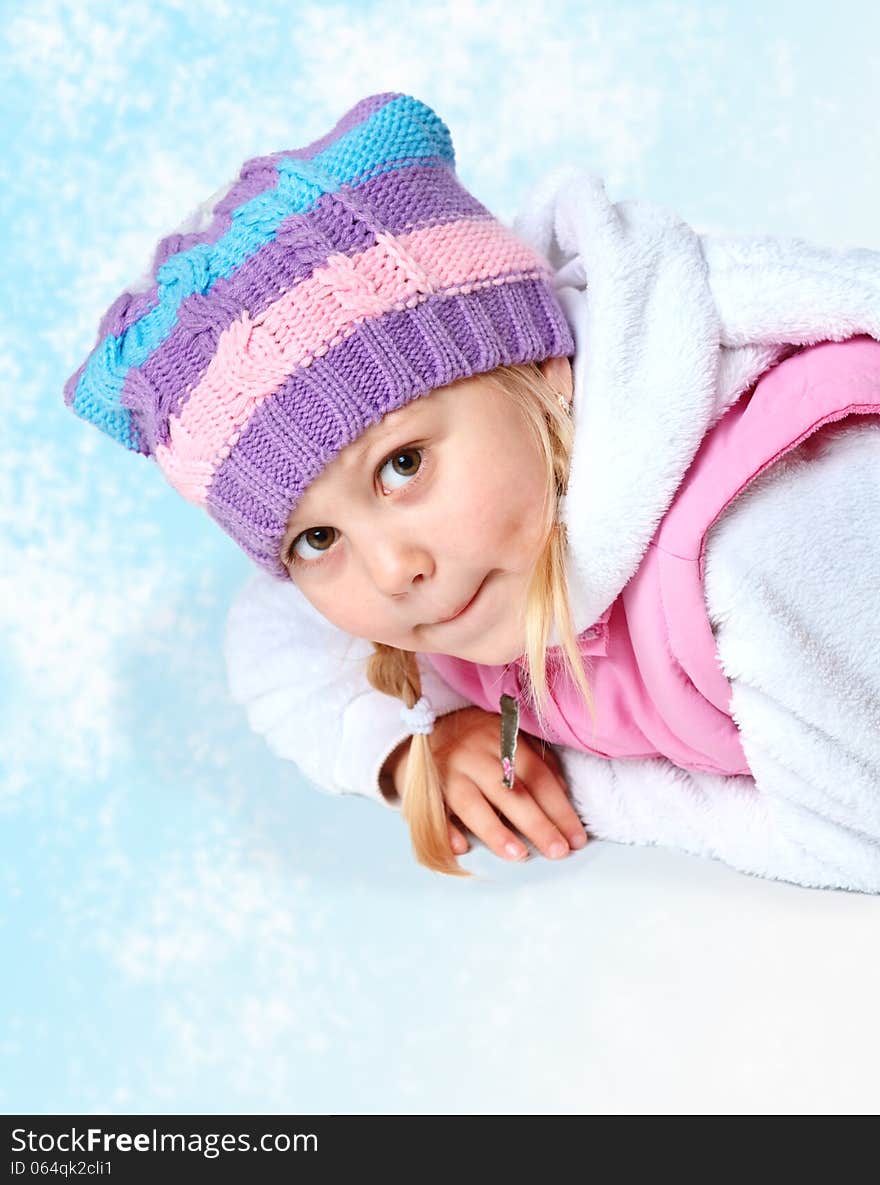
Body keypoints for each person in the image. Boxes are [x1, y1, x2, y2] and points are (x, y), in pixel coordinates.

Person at [64, 92, 880, 892]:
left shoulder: (767, 542)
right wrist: (417, 743)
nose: (391, 569)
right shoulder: (479, 551)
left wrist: (586, 790)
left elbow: (859, 832)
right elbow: (268, 639)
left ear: (539, 365)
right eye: (315, 539)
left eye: (403, 464)